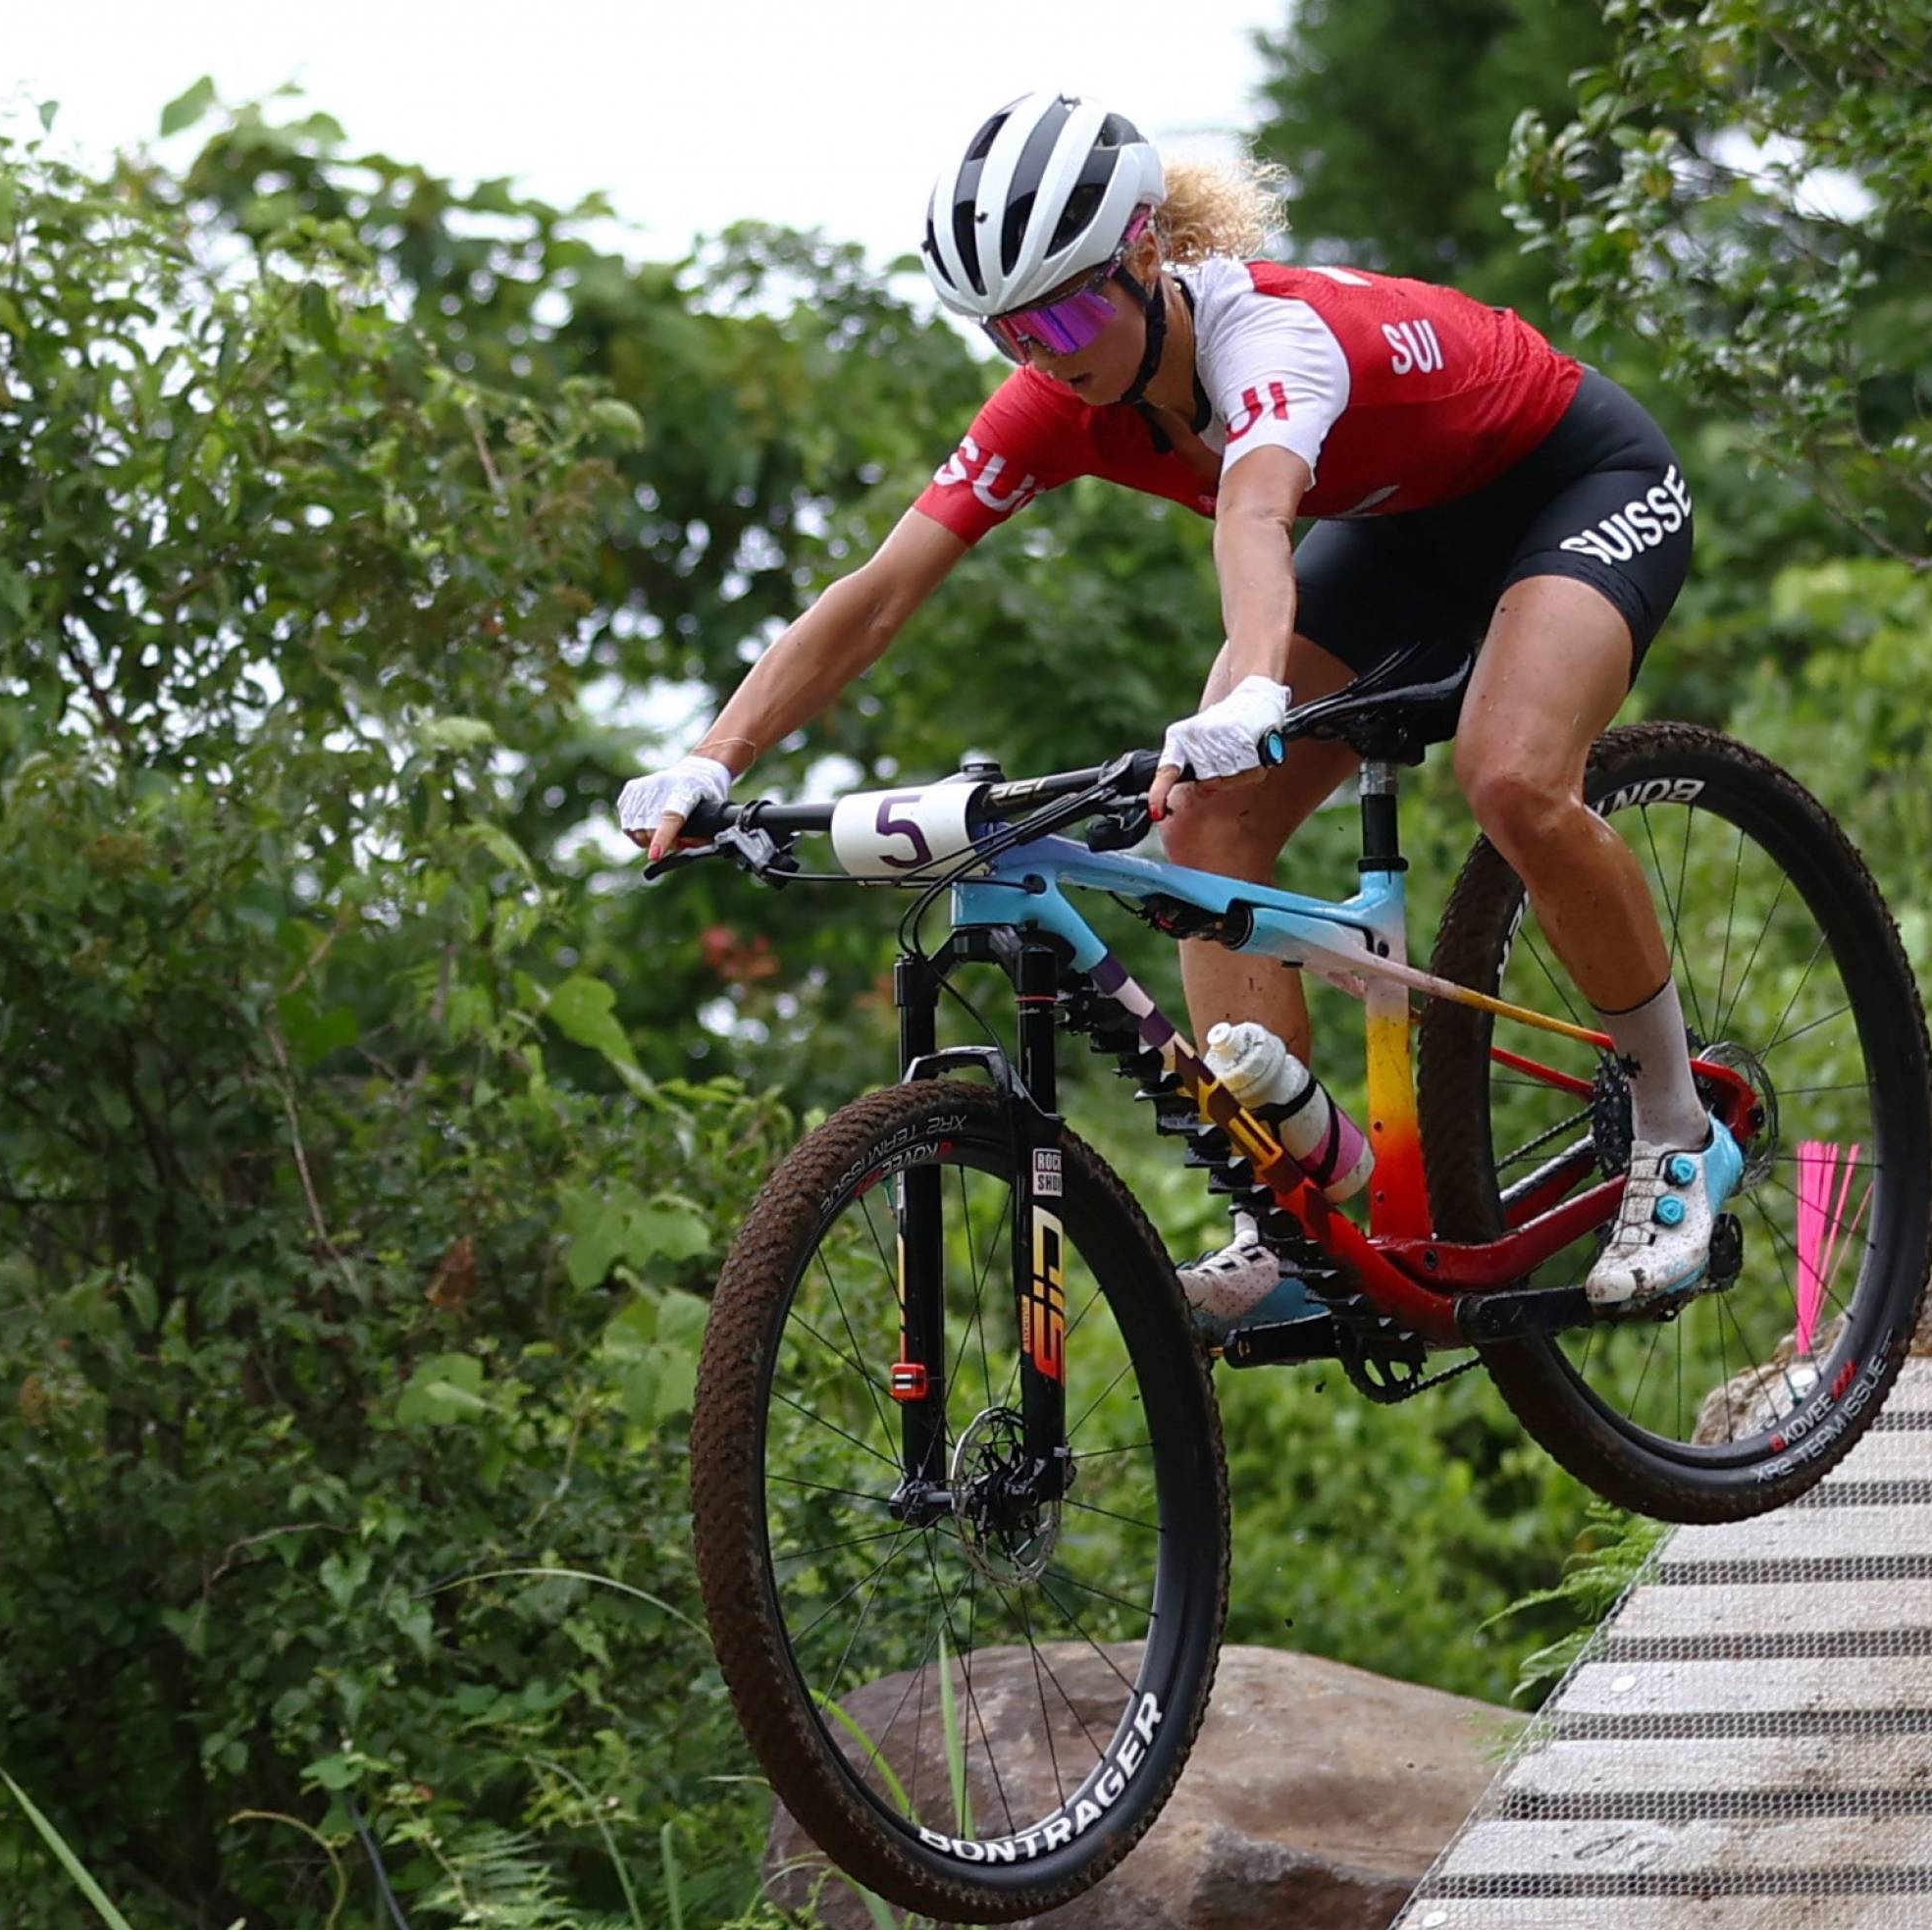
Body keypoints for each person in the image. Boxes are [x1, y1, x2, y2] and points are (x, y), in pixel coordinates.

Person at [620, 91, 1735, 1326]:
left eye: (1060, 313)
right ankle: (1290, 1216)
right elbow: (881, 592)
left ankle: (1678, 1126)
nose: (1042, 354)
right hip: (1400, 530)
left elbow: (1256, 518)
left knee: (1512, 776)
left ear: (1144, 252)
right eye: (1006, 332)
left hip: (1570, 480)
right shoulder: (1054, 395)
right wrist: (713, 758)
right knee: (1199, 823)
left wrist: (1254, 684)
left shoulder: (1270, 338)